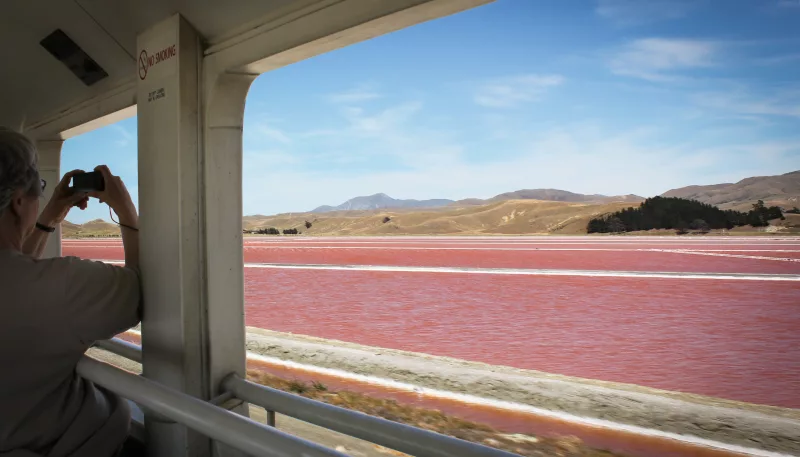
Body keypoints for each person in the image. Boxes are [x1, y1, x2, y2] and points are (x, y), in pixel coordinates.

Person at [0, 127, 141, 457]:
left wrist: (51, 214)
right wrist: (125, 211)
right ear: (20, 201)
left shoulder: (34, 283)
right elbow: (138, 291)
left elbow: (16, 269)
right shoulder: (64, 285)